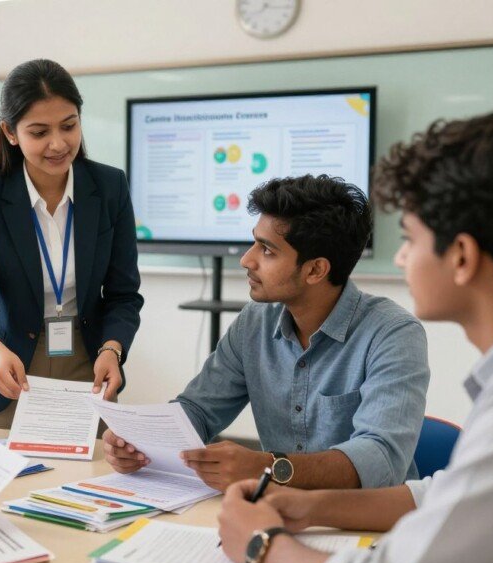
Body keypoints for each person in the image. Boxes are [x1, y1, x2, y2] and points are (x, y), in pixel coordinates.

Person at [217, 110, 493, 563]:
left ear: (461, 256)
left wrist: (262, 545)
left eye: (409, 239)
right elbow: (448, 497)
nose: (400, 257)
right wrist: (310, 504)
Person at [103, 175, 430, 491]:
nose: (247, 260)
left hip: (363, 526)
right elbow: (199, 410)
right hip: (275, 511)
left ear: (315, 269)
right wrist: (140, 441)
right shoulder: (254, 322)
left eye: (267, 250)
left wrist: (269, 467)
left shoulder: (393, 334)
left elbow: (381, 460)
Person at [0, 58, 144, 429]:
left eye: (69, 126)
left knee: (93, 481)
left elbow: (124, 294)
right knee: (6, 483)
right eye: (39, 132)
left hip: (90, 362)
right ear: (11, 133)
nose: (58, 144)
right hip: (7, 368)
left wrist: (113, 348)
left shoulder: (109, 188)